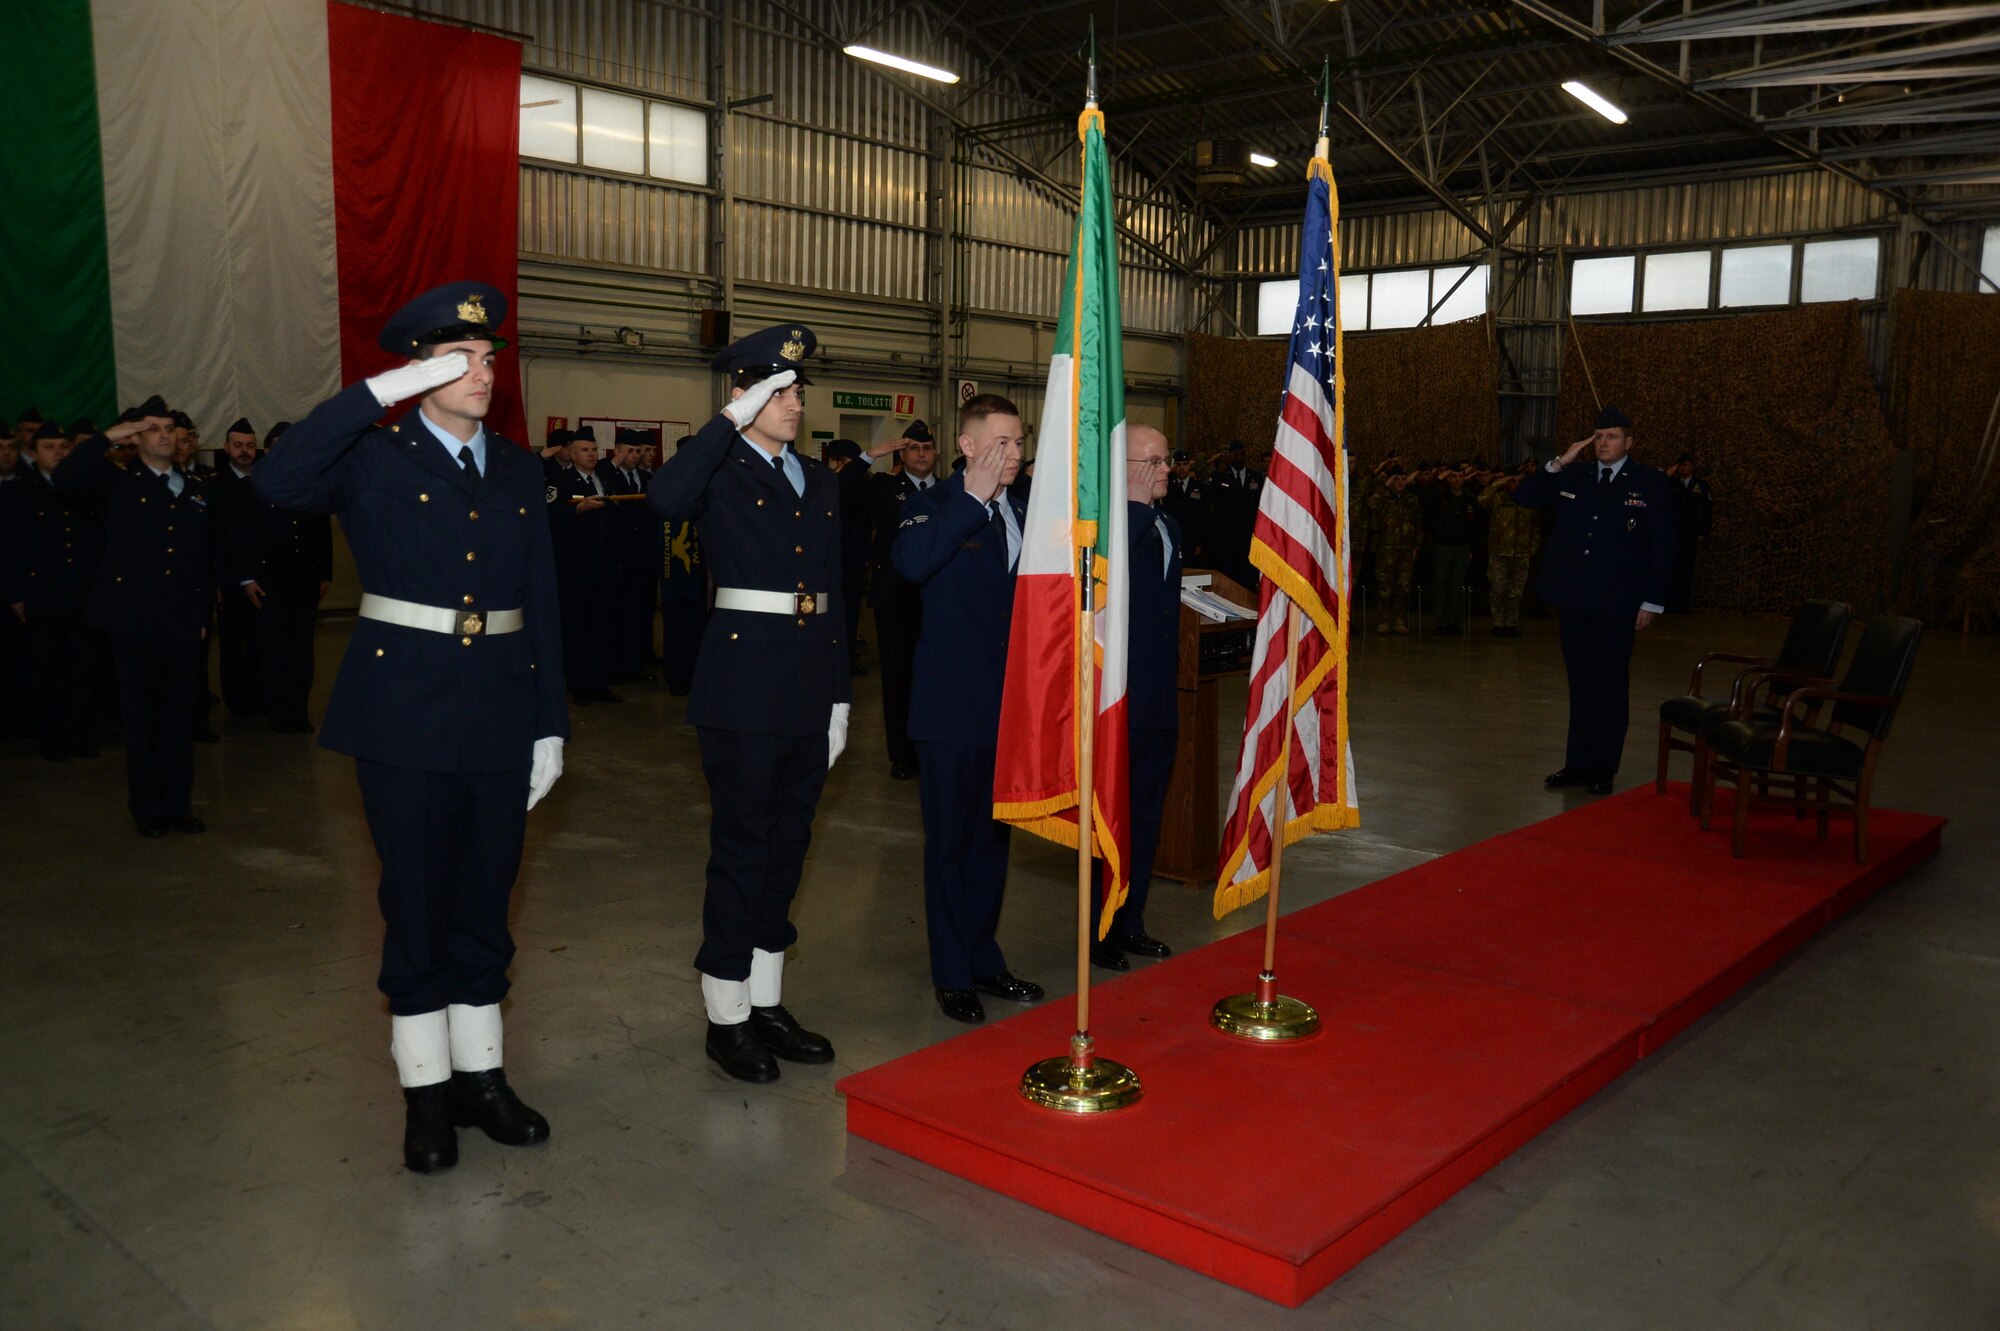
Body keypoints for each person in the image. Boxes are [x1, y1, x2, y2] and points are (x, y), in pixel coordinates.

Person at [253, 281, 568, 1174]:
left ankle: (482, 1077)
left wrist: (550, 723)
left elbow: (538, 597)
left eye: (489, 357)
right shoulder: (372, 454)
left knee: (487, 904)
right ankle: (425, 1096)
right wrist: (375, 394)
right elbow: (276, 481)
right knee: (418, 903)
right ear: (419, 370)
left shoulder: (515, 466)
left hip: (502, 706)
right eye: (459, 359)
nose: (482, 371)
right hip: (403, 713)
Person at [646, 325, 848, 1084]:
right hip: (741, 687)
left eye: (797, 391)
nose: (795, 404)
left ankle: (766, 1000)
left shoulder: (819, 480)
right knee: (742, 847)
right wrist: (730, 419)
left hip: (805, 684)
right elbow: (665, 498)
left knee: (788, 846)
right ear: (745, 393)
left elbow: (832, 590)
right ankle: (725, 1012)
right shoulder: (719, 469)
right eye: (779, 391)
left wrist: (838, 697)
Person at [892, 393, 1045, 1025]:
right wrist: (973, 501)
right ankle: (952, 971)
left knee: (992, 843)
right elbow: (912, 565)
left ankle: (984, 956)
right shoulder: (929, 507)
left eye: (1018, 443)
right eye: (1001, 443)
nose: (1013, 454)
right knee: (950, 844)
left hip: (1012, 709)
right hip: (950, 708)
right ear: (969, 446)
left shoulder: (1032, 510)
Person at [55, 398, 213, 835]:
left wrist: (201, 614)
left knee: (180, 716)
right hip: (133, 620)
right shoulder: (116, 482)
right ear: (137, 438)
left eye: (169, 428)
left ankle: (178, 804)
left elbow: (200, 559)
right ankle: (148, 808)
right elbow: (66, 477)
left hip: (181, 620)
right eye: (153, 428)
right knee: (142, 718)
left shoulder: (194, 487)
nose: (164, 434)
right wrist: (109, 436)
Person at [1510, 406, 1675, 797]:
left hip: (1619, 601)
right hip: (1575, 598)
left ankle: (1603, 764)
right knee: (1581, 681)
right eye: (1598, 437)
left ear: (1629, 442)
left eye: (1612, 436)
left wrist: (1653, 601)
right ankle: (1577, 763)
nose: (1603, 443)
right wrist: (1559, 460)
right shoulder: (1576, 474)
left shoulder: (1648, 481)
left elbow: (1664, 544)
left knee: (1610, 683)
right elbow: (1524, 496)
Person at [1091, 423, 1179, 972]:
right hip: (1116, 701)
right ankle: (1099, 929)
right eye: (1154, 461)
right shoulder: (1108, 531)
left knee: (1145, 818)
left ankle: (1132, 920)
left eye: (1168, 460)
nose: (1167, 469)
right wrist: (1129, 503)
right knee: (1111, 822)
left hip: (1159, 699)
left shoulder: (1168, 523)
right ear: (1125, 470)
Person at [2, 422, 104, 760]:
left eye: (63, 446)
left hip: (81, 593)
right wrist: (15, 593)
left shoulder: (81, 489)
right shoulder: (19, 493)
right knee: (46, 670)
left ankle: (78, 735)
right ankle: (52, 737)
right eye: (49, 447)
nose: (58, 453)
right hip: (41, 594)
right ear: (33, 453)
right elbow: (10, 548)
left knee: (82, 667)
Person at [227, 421, 332, 733]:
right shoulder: (252, 486)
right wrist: (245, 578)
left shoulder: (311, 486)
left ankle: (297, 711)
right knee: (272, 649)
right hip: (267, 581)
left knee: (301, 650)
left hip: (303, 580)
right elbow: (239, 536)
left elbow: (322, 533)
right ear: (269, 452)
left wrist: (325, 572)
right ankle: (276, 710)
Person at [866, 421, 938, 780]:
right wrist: (871, 455)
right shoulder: (884, 488)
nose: (921, 454)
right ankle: (902, 755)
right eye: (913, 448)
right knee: (897, 681)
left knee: (937, 680)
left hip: (938, 601)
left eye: (927, 448)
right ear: (902, 454)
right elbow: (841, 493)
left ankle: (933, 750)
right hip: (895, 599)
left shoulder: (950, 491)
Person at [547, 427, 622, 706]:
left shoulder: (605, 480)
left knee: (602, 629)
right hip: (575, 570)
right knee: (578, 629)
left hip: (604, 568)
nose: (591, 455)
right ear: (571, 453)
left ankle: (600, 684)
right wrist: (577, 510)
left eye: (594, 450)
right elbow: (549, 516)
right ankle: (580, 686)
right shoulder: (559, 481)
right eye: (584, 450)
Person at [209, 419, 265, 720]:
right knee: (232, 644)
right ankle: (238, 703)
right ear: (226, 448)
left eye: (250, 446)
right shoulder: (216, 486)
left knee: (261, 643)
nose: (244, 452)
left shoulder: (265, 480)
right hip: (231, 580)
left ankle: (259, 697)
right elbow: (218, 538)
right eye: (238, 445)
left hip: (265, 577)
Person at [599, 428, 659, 684]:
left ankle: (634, 663)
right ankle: (614, 666)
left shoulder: (644, 478)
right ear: (619, 450)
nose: (636, 456)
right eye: (631, 451)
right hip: (617, 556)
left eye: (638, 451)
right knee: (616, 613)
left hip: (642, 557)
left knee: (639, 613)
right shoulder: (606, 474)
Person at [824, 439, 872, 677]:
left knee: (848, 610)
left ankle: (845, 655)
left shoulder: (851, 486)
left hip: (848, 559)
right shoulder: (836, 484)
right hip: (844, 559)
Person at [1479, 461, 1542, 637]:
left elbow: (1536, 528)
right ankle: (1498, 622)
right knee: (1498, 590)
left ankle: (1511, 623)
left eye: (1518, 481)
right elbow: (1482, 499)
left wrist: (1532, 548)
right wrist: (1499, 482)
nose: (1515, 485)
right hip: (1499, 552)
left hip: (1521, 553)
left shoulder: (1529, 501)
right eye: (1512, 481)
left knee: (1515, 592)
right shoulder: (1498, 499)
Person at [1423, 464, 1479, 635]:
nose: (1457, 480)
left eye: (1460, 476)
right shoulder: (1440, 496)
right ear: (1448, 478)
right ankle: (1441, 622)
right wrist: (1437, 480)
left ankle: (1454, 622)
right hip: (1443, 545)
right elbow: (1424, 499)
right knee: (1440, 584)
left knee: (1456, 585)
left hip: (1461, 546)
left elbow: (1475, 525)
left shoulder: (1469, 498)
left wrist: (1471, 547)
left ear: (1464, 478)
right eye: (1453, 476)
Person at [1368, 465, 1422, 634]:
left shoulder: (1411, 500)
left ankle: (1399, 620)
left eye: (1403, 479)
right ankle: (1383, 620)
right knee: (1385, 586)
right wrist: (1385, 486)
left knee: (1403, 587)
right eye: (1396, 479)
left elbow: (1419, 524)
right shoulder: (1383, 498)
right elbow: (1371, 505)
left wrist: (1416, 546)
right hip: (1386, 549)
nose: (1400, 482)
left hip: (1406, 549)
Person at [1206, 439, 1264, 589]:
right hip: (1226, 539)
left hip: (1248, 538)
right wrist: (1221, 469)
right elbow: (1211, 496)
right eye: (1235, 454)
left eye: (1241, 454)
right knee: (1228, 579)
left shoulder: (1256, 477)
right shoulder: (1221, 476)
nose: (1238, 458)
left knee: (1247, 580)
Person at [1667, 452, 1712, 613]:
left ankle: (1682, 604)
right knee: (1671, 567)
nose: (1682, 469)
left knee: (1686, 568)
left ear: (1692, 466)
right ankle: (1669, 603)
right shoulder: (1671, 483)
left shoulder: (1700, 485)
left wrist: (1702, 531)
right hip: (1672, 533)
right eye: (1680, 465)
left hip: (1689, 533)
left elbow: (1706, 510)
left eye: (1685, 465)